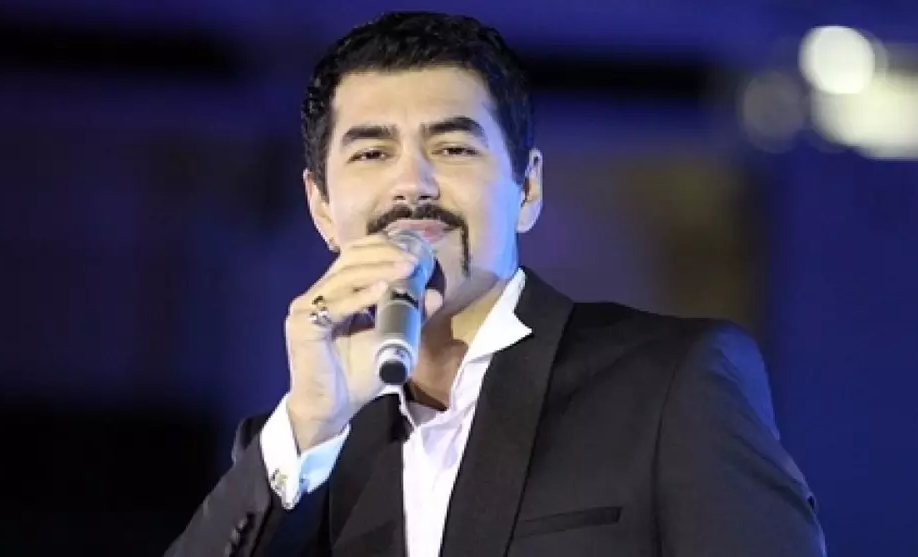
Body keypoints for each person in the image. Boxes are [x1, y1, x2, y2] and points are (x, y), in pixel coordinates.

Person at [164, 11, 825, 557]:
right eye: (372, 152)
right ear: (321, 209)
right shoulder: (302, 455)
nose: (413, 183)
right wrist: (310, 422)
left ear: (527, 189)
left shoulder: (671, 382)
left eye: (452, 148)